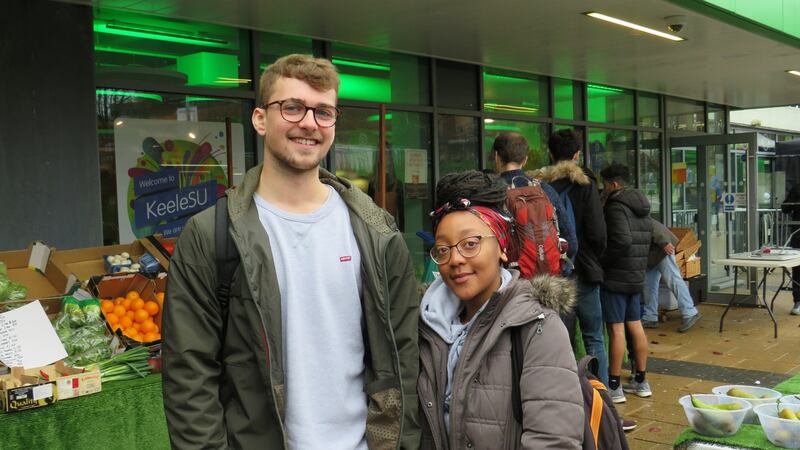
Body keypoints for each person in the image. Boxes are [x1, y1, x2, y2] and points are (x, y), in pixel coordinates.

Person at [162, 54, 421, 449]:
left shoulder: (377, 232)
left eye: (324, 112)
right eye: (293, 107)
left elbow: (403, 358)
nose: (309, 123)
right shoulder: (211, 235)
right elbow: (189, 372)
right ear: (261, 119)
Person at [418, 170, 584, 449]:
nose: (455, 259)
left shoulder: (538, 328)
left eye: (470, 244)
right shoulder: (424, 324)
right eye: (443, 249)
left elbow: (554, 440)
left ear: (502, 247)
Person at [532, 129, 609, 387]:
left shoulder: (540, 186)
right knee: (593, 336)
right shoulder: (586, 184)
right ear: (577, 154)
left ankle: (569, 398)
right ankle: (601, 397)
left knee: (561, 338)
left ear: (550, 153)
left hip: (554, 273)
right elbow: (598, 233)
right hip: (585, 272)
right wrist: (592, 258)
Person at [599, 163, 652, 404]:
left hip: (617, 276)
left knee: (616, 329)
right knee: (635, 325)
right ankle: (641, 380)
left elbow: (621, 240)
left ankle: (614, 385)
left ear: (615, 184)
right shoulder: (641, 205)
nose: (604, 189)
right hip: (636, 274)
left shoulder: (616, 206)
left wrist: (603, 262)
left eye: (606, 185)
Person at [492, 131, 578, 268]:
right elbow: (571, 243)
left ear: (497, 157)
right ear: (525, 160)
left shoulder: (491, 193)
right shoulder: (544, 189)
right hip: (545, 280)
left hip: (508, 280)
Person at [642, 218, 702, 332]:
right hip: (652, 253)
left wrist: (663, 241)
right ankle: (650, 317)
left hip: (661, 248)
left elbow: (650, 224)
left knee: (673, 280)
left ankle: (690, 312)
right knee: (649, 286)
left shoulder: (627, 211)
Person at [781, 183, 800, 315]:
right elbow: (785, 207)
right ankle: (798, 301)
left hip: (797, 234)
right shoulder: (797, 188)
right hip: (798, 234)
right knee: (798, 268)